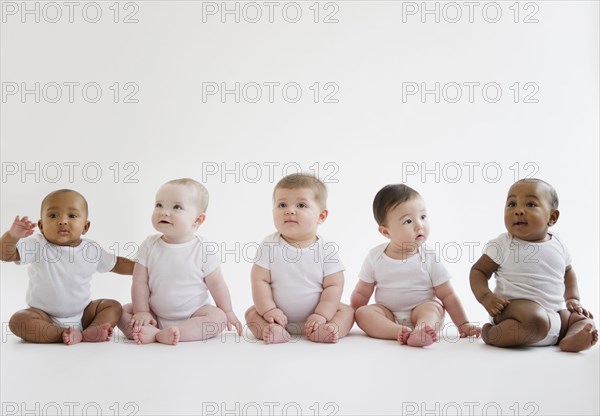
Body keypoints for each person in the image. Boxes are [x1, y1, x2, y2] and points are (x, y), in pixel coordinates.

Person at [470, 178, 598, 352]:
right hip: (514, 313)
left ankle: (571, 339)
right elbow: (478, 271)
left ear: (552, 217)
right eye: (512, 204)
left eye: (530, 204)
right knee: (535, 319)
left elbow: (568, 271)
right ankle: (492, 334)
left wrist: (573, 299)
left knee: (583, 319)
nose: (519, 210)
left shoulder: (558, 243)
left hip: (554, 316)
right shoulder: (503, 244)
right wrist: (486, 297)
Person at [351, 184, 480, 347]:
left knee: (433, 308)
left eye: (423, 217)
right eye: (408, 221)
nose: (419, 225)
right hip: (387, 315)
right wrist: (353, 313)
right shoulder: (375, 257)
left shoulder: (429, 257)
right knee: (364, 313)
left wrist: (463, 324)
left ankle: (422, 329)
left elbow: (447, 295)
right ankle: (397, 332)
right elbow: (362, 292)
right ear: (386, 232)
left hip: (420, 311)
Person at [1, 189, 134, 345]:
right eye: (53, 216)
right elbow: (5, 254)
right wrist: (12, 236)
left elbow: (117, 264)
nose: (62, 221)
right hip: (44, 316)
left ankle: (92, 329)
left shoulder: (91, 249)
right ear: (41, 226)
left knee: (113, 306)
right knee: (19, 321)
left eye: (72, 216)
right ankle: (62, 334)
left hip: (83, 314)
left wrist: (145, 268)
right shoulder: (37, 245)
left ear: (85, 226)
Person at [118, 178, 241, 345]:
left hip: (194, 314)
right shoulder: (149, 245)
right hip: (155, 314)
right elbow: (139, 282)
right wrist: (142, 312)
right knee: (122, 311)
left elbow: (217, 284)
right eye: (159, 205)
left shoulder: (203, 249)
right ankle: (153, 331)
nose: (164, 212)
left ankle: (176, 333)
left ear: (198, 220)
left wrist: (227, 311)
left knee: (217, 318)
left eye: (177, 207)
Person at [245, 174, 354, 344]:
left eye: (301, 205)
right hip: (277, 316)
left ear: (321, 216)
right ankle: (271, 330)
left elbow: (334, 285)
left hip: (318, 317)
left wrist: (322, 314)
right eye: (282, 205)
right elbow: (259, 280)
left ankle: (328, 330)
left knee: (347, 312)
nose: (289, 210)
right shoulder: (269, 244)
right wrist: (268, 310)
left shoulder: (326, 249)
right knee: (251, 314)